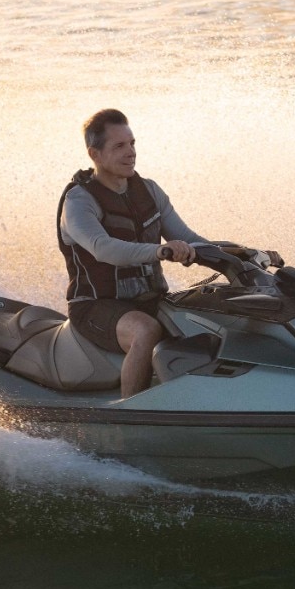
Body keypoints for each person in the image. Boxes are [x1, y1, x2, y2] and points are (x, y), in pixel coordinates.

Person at [56, 108, 210, 398]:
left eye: (132, 143)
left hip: (149, 300)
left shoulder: (149, 191)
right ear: (94, 154)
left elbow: (189, 239)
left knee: (206, 316)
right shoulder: (78, 201)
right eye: (119, 146)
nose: (131, 152)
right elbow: (104, 249)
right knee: (145, 330)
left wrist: (244, 254)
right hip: (95, 306)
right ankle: (129, 410)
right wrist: (160, 250)